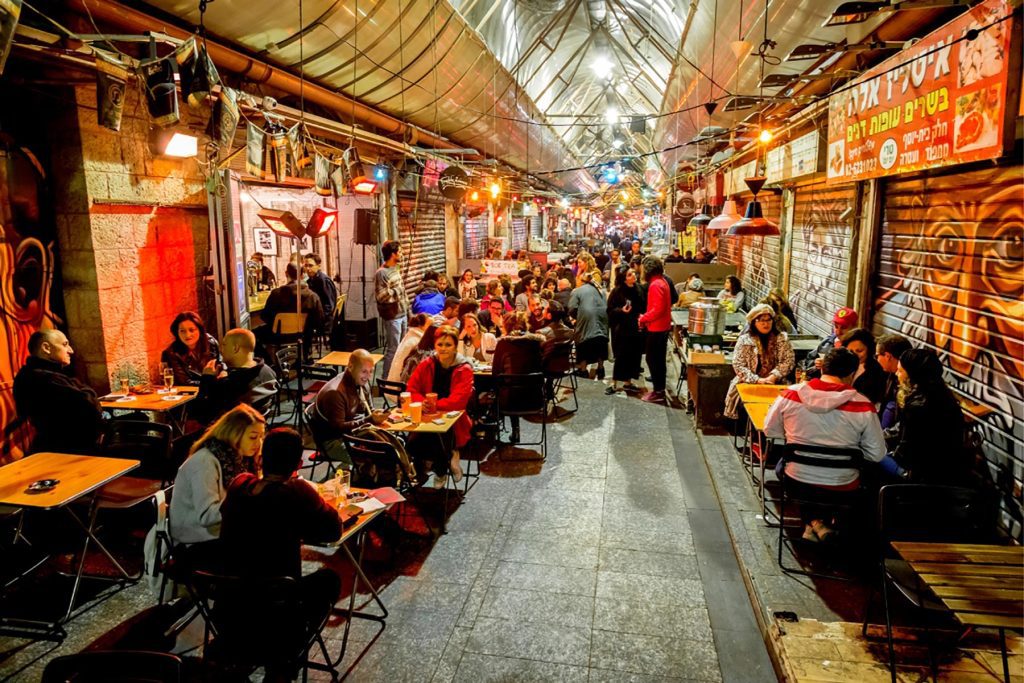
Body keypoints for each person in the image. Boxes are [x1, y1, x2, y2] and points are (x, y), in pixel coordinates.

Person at [218, 427, 342, 680]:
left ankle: (273, 653)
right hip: (277, 602)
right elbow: (333, 530)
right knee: (329, 580)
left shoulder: (239, 485)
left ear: (262, 458)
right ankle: (288, 655)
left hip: (229, 599)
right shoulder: (296, 491)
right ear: (298, 463)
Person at [763, 348, 894, 542]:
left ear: (822, 368)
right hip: (842, 486)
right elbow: (876, 454)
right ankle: (820, 524)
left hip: (798, 482)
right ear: (852, 374)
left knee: (786, 467)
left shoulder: (791, 394)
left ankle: (814, 523)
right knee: (843, 478)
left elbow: (769, 430)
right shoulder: (863, 405)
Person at [169, 404, 265, 569]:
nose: (258, 443)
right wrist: (244, 502)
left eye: (261, 437)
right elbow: (207, 516)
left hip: (224, 531)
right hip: (197, 539)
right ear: (234, 435)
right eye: (253, 437)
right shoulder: (204, 462)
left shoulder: (240, 458)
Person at [13, 329, 103, 455]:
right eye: (65, 344)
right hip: (68, 450)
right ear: (46, 348)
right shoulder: (43, 378)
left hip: (61, 446)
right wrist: (89, 392)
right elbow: (90, 407)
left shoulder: (33, 374)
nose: (71, 350)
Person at [890, 348, 969, 485]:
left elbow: (906, 455)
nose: (897, 374)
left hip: (923, 478)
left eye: (901, 370)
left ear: (912, 375)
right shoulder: (945, 397)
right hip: (949, 472)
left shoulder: (916, 406)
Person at [406, 326, 474, 485]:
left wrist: (433, 405)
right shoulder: (426, 363)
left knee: (440, 438)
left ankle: (442, 468)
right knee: (412, 442)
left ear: (455, 346)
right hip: (427, 415)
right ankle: (425, 470)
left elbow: (458, 401)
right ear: (435, 345)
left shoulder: (464, 368)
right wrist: (421, 402)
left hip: (454, 419)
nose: (443, 349)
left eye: (448, 345)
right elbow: (411, 389)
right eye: (440, 344)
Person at [310, 349, 388, 464]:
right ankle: (365, 479)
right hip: (332, 441)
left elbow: (368, 410)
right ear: (350, 367)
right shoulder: (335, 392)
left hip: (351, 432)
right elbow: (338, 428)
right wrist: (370, 419)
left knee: (390, 446)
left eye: (371, 371)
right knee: (375, 457)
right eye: (364, 371)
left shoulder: (360, 382)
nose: (368, 377)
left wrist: (376, 415)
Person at [724, 304, 796, 419]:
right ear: (754, 322)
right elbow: (738, 364)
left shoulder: (781, 338)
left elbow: (788, 360)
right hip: (749, 383)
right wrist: (758, 380)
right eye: (761, 320)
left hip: (775, 382)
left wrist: (773, 376)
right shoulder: (745, 340)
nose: (765, 324)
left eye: (768, 320)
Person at [194, 328, 278, 423]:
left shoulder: (229, 385)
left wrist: (207, 378)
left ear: (235, 348)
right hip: (254, 429)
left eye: (224, 345)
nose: (221, 350)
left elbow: (200, 415)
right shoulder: (268, 371)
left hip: (228, 433)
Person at [492, 312, 544, 444]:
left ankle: (511, 429)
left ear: (506, 327)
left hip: (509, 402)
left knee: (505, 387)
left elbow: (495, 373)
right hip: (535, 399)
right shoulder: (535, 343)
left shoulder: (503, 344)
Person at [261, 263, 324, 351]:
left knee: (253, 334)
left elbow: (265, 316)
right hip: (303, 336)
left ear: (286, 273)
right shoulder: (312, 296)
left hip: (278, 336)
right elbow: (319, 319)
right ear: (302, 275)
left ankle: (270, 361)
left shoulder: (276, 294)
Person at [637, 256, 673, 403]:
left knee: (653, 359)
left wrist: (643, 318)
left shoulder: (656, 285)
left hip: (657, 328)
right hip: (662, 326)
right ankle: (660, 390)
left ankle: (658, 392)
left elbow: (657, 309)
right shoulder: (661, 281)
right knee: (658, 359)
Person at [607, 265, 645, 395]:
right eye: (630, 274)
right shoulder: (617, 292)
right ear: (624, 279)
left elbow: (642, 306)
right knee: (621, 356)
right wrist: (621, 311)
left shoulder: (638, 289)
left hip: (635, 327)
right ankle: (614, 383)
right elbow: (610, 310)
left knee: (633, 355)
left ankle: (628, 382)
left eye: (634, 273)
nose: (634, 275)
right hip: (621, 329)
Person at [375, 240, 410, 378]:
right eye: (400, 251)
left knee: (402, 349)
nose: (402, 254)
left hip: (402, 313)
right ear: (393, 254)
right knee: (393, 349)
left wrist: (408, 310)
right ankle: (386, 379)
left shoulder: (396, 269)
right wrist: (397, 290)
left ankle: (398, 376)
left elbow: (403, 292)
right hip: (393, 316)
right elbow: (381, 296)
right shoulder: (381, 273)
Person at [568, 269, 609, 380]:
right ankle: (601, 368)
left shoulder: (577, 291)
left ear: (581, 281)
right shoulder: (602, 290)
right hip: (603, 318)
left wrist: (577, 317)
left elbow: (572, 308)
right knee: (599, 342)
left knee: (583, 342)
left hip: (586, 318)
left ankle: (583, 369)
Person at [161, 311, 221, 386]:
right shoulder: (171, 353)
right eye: (182, 331)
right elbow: (184, 382)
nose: (187, 335)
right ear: (177, 332)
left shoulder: (211, 342)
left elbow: (220, 365)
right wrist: (211, 382)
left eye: (191, 330)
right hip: (190, 393)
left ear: (200, 330)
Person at [803, 306, 859, 379]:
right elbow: (808, 362)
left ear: (854, 327)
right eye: (836, 327)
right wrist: (815, 364)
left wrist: (828, 365)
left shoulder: (856, 348)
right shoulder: (827, 343)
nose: (838, 332)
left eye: (844, 328)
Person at [875, 334, 913, 430]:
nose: (876, 360)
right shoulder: (889, 375)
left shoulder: (910, 385)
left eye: (877, 356)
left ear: (888, 356)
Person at [839, 328, 887, 405]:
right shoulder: (841, 363)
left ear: (869, 349)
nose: (855, 355)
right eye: (850, 351)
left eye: (859, 351)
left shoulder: (876, 370)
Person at [386, 313, 433, 383]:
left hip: (393, 384)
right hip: (401, 386)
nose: (432, 328)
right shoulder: (417, 341)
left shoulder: (410, 335)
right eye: (430, 326)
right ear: (420, 326)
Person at [302, 253, 338, 331]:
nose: (308, 269)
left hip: (324, 321)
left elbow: (329, 306)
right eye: (306, 265)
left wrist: (319, 318)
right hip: (318, 317)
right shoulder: (311, 280)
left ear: (318, 266)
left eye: (310, 265)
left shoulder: (323, 281)